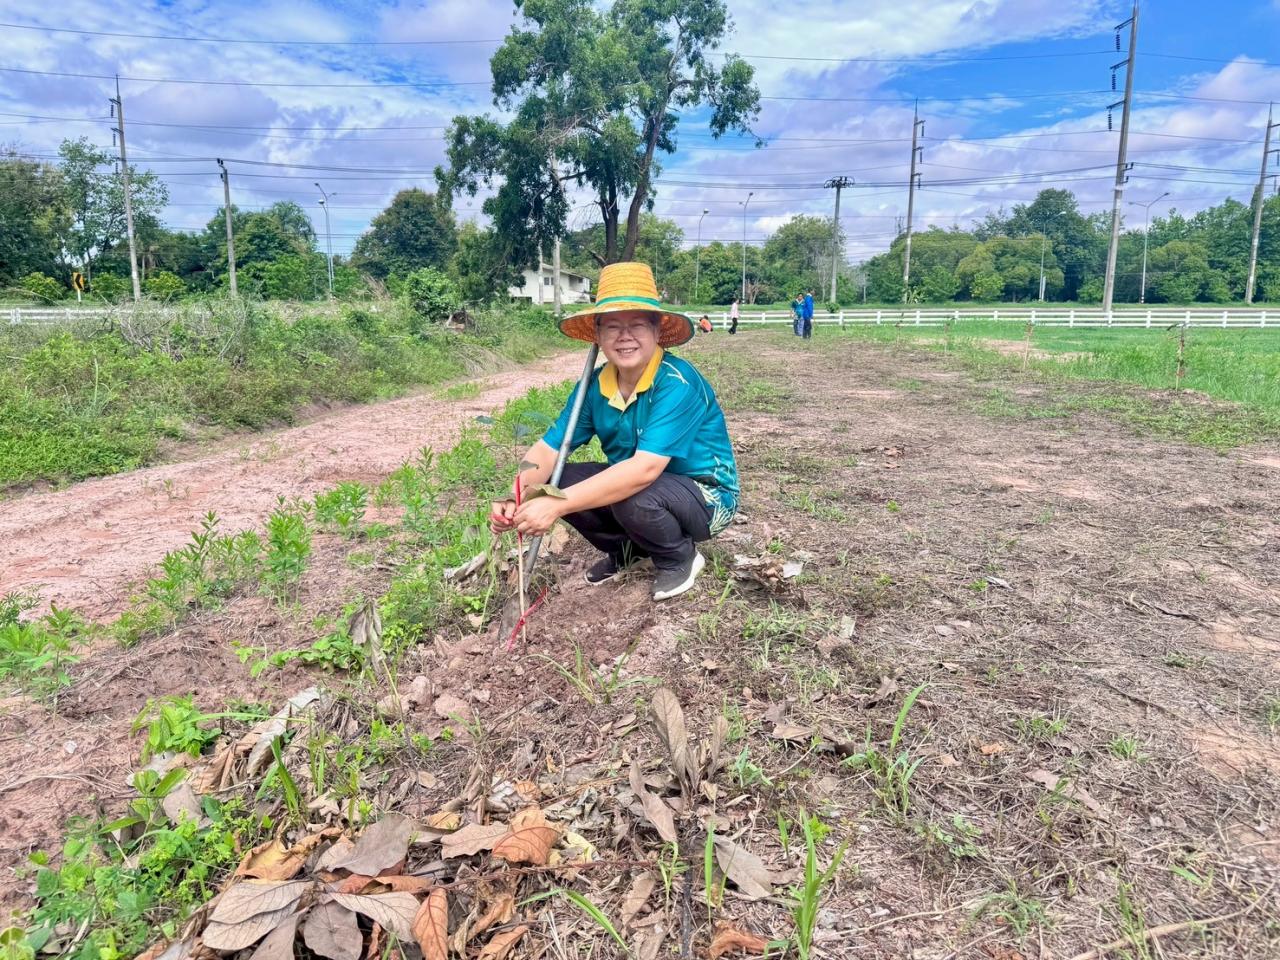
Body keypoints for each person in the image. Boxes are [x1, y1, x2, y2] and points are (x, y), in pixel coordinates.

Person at [490, 262, 739, 601]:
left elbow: (643, 470)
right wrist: (515, 497)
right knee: (560, 480)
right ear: (598, 335)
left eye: (637, 325)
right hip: (643, 486)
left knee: (631, 493)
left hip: (704, 497)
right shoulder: (593, 388)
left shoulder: (677, 383)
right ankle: (629, 551)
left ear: (656, 330)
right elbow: (549, 450)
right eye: (612, 327)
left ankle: (679, 556)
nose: (625, 337)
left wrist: (555, 506)